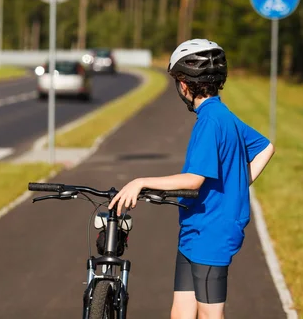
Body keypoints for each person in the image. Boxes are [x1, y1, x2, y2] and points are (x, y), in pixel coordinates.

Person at [108, 39, 275, 319]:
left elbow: (194, 180)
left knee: (211, 315)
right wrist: (237, 187)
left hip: (211, 232)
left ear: (184, 85)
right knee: (181, 313)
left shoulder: (210, 121)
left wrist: (141, 182)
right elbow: (265, 147)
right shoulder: (223, 115)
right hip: (195, 230)